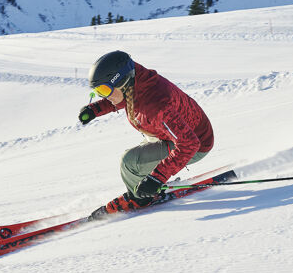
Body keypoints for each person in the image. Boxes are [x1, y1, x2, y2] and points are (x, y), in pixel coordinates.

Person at [79, 50, 215, 219]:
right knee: (138, 160)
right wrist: (96, 109)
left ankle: (141, 199)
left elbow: (189, 144)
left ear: (122, 81)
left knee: (129, 163)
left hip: (197, 144)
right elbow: (123, 98)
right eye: (98, 91)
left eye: (104, 90)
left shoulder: (156, 105)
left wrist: (157, 178)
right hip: (172, 134)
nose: (102, 95)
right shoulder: (135, 79)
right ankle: (147, 186)